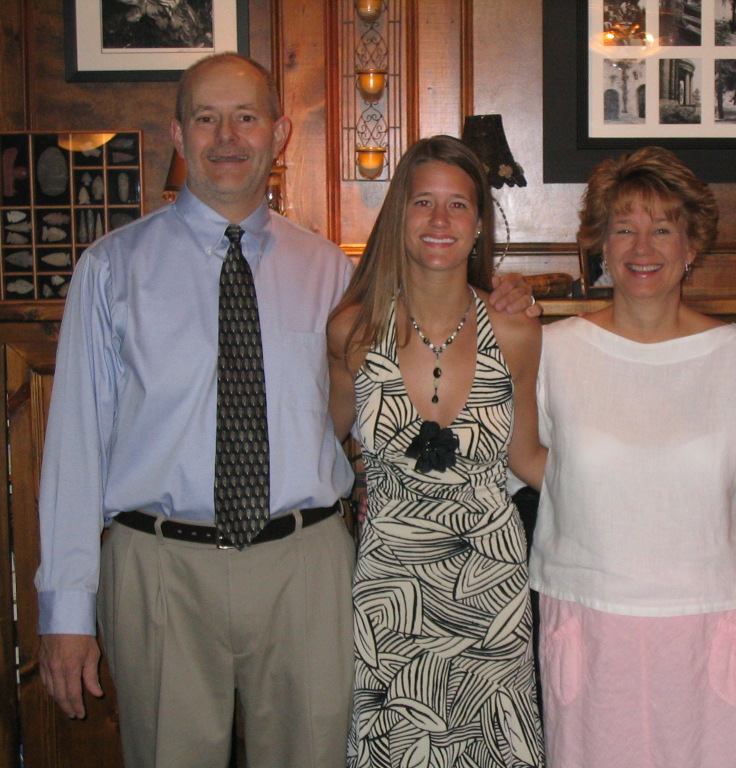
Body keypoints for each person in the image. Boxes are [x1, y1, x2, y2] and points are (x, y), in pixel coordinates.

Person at [35, 54, 537, 768]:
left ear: (278, 134)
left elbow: (420, 353)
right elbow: (74, 449)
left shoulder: (332, 272)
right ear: (178, 135)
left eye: (246, 117)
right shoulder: (113, 270)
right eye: (206, 118)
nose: (227, 136)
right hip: (160, 568)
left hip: (305, 564)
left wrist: (502, 298)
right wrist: (65, 610)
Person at [527, 146, 736, 768]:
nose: (642, 247)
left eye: (662, 229)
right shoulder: (555, 352)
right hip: (589, 622)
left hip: (711, 622)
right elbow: (515, 462)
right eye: (623, 229)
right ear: (601, 245)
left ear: (692, 245)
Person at [327, 135, 546, 767]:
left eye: (458, 204)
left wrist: (634, 480)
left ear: (478, 226)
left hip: (491, 586)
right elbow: (320, 443)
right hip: (391, 587)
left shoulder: (515, 331)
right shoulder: (352, 330)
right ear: (399, 214)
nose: (440, 219)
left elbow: (527, 458)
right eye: (423, 201)